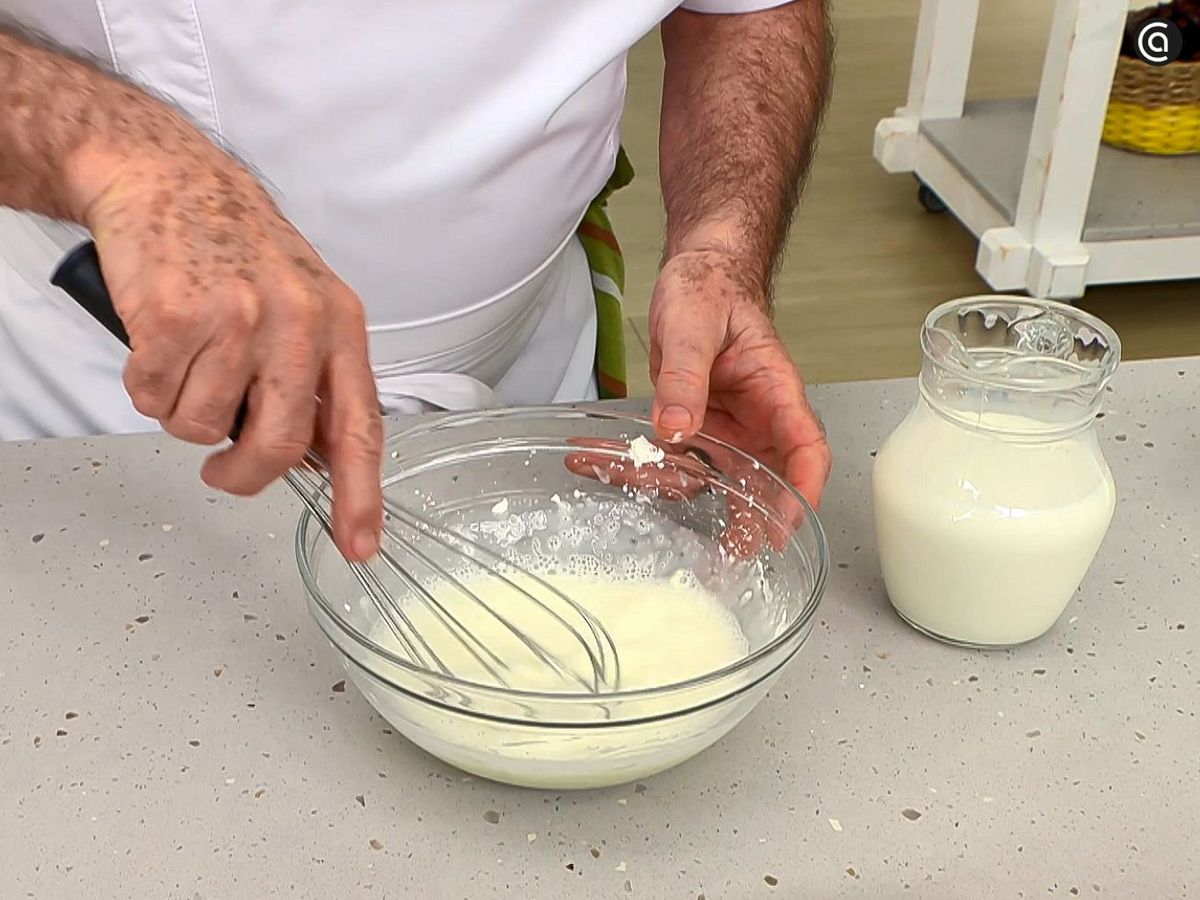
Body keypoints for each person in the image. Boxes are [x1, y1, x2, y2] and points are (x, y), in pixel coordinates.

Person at [0, 1, 833, 563]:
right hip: (90, 399)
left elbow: (746, 12)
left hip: (531, 379)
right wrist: (117, 151)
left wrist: (723, 241)